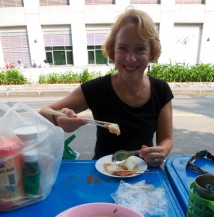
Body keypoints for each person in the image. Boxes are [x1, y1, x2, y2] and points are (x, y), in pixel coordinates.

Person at [39, 8, 173, 167]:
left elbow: (166, 139)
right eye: (123, 48)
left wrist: (161, 151)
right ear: (113, 51)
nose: (130, 58)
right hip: (103, 175)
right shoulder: (97, 89)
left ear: (151, 53)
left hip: (145, 174)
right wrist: (58, 117)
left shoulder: (161, 90)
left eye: (140, 49)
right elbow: (43, 112)